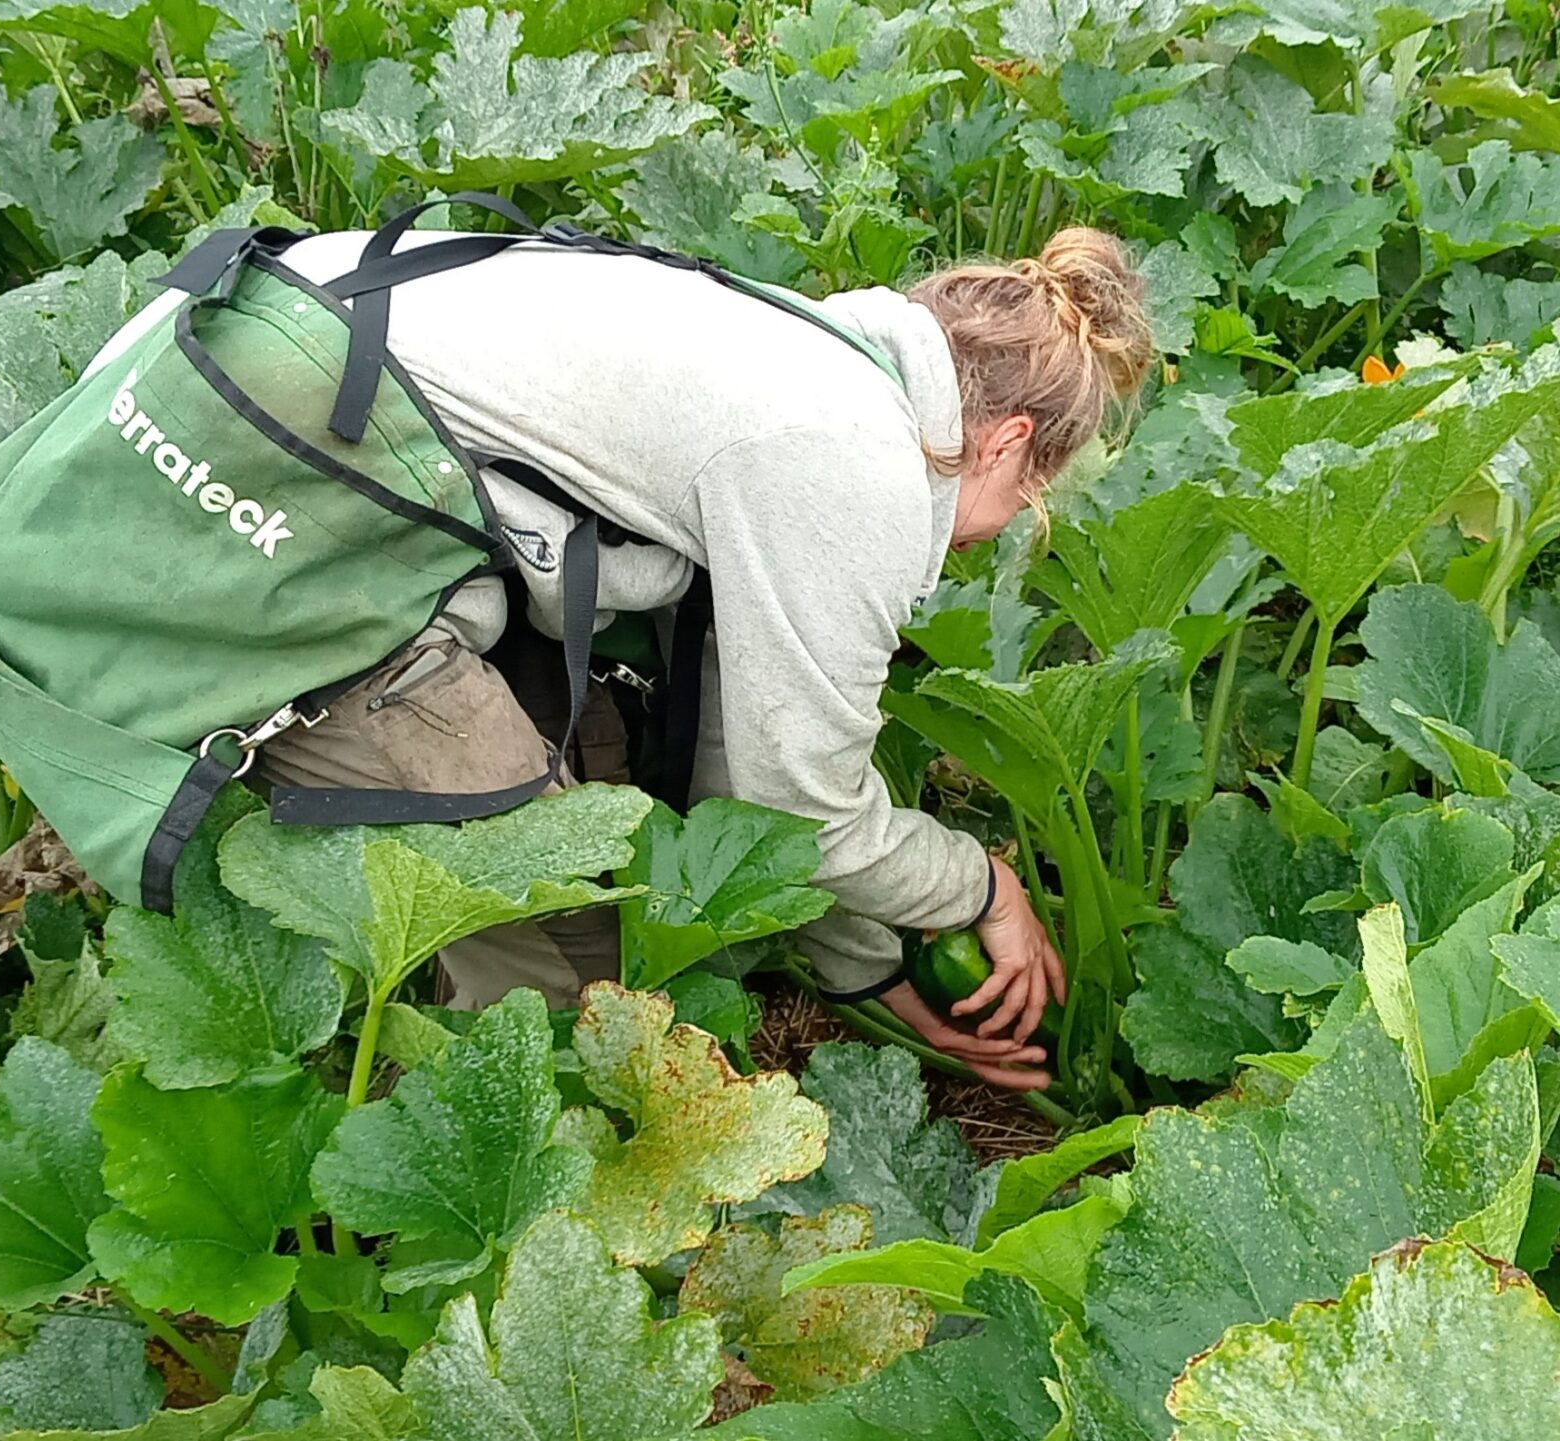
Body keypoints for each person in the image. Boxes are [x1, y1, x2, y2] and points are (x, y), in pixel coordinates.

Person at [79, 223, 1152, 1092]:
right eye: (1027, 498)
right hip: (224, 528)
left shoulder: (802, 357)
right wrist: (984, 890)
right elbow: (804, 814)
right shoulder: (855, 466)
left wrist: (867, 975)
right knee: (587, 1007)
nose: (1000, 527)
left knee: (603, 783)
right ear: (1007, 440)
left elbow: (755, 780)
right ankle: (457, 1168)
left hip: (177, 407)